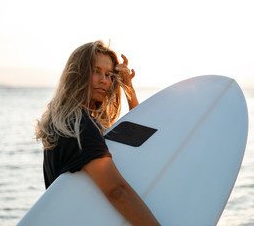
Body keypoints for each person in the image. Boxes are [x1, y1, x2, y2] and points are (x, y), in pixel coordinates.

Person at [35, 41, 160, 225]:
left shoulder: (64, 121)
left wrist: (128, 89)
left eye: (109, 75)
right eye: (96, 71)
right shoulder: (80, 125)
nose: (104, 80)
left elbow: (141, 140)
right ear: (78, 74)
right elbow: (116, 191)